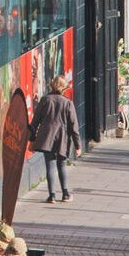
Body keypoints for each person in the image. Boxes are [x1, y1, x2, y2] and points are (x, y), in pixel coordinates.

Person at [29, 74, 81, 203]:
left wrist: (32, 139)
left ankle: (51, 195)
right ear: (64, 88)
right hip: (62, 137)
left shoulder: (45, 100)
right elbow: (74, 126)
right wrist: (78, 145)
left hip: (47, 136)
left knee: (50, 165)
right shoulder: (68, 103)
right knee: (62, 164)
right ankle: (65, 194)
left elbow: (35, 122)